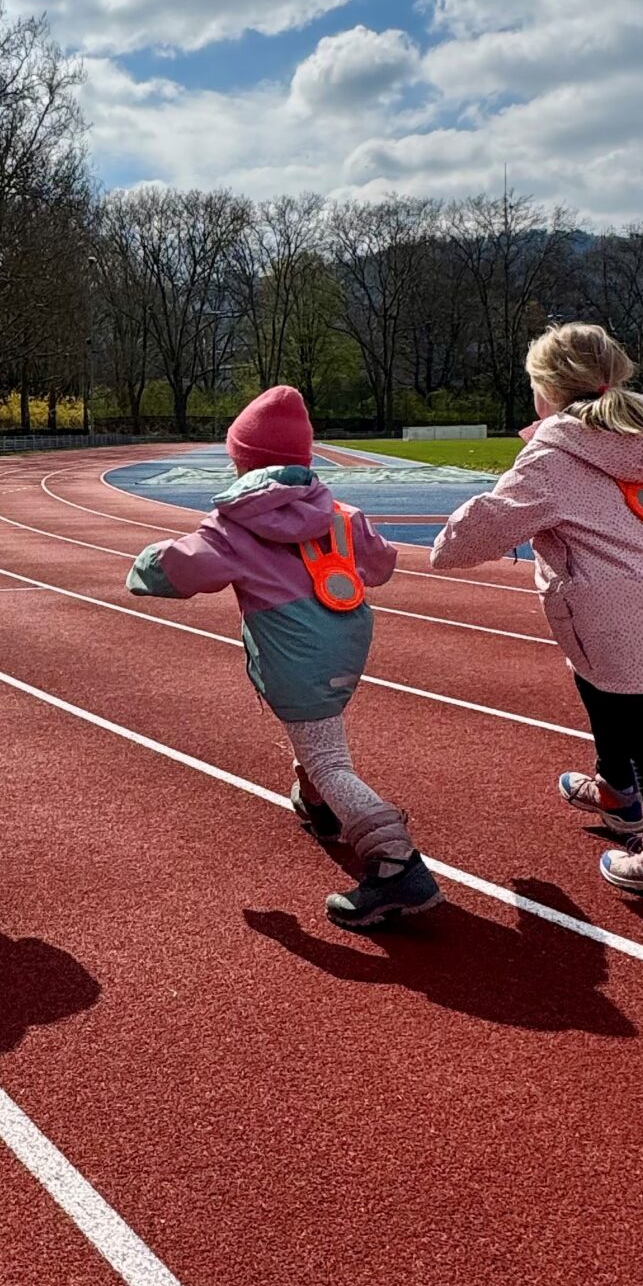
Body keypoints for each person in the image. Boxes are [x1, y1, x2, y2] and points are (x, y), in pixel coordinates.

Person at [126, 383, 440, 931]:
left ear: (242, 461)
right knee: (319, 732)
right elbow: (381, 565)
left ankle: (395, 863)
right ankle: (318, 803)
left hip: (294, 653)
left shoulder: (234, 525)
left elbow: (181, 570)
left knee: (328, 758)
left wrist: (145, 564)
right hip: (347, 640)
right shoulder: (341, 514)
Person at [429, 321, 643, 906]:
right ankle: (615, 788)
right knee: (602, 684)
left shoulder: (555, 453)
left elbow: (493, 520)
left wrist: (448, 543)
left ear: (549, 388)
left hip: (606, 598)